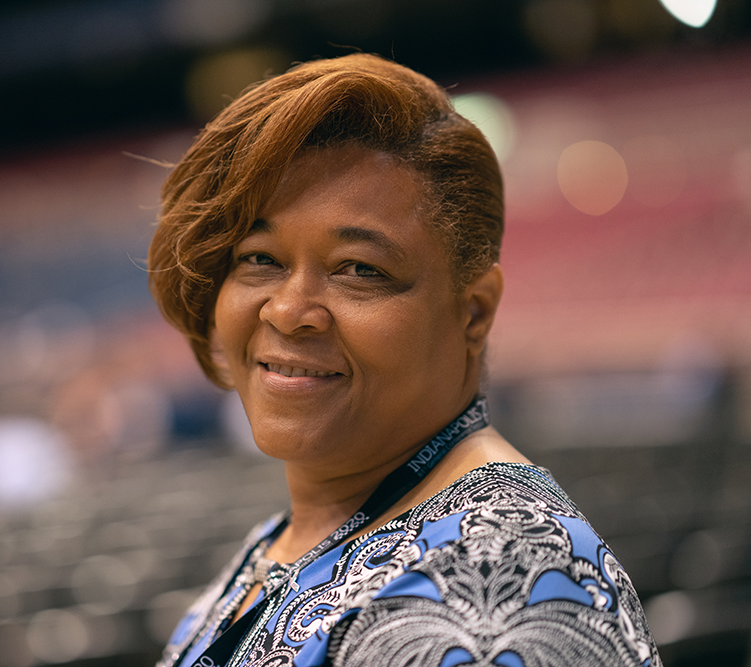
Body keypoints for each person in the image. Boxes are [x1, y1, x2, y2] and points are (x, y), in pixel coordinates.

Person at [147, 53, 660, 667]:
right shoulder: (286, 538)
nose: (287, 310)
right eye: (259, 257)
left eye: (360, 270)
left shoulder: (499, 580)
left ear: (472, 313)